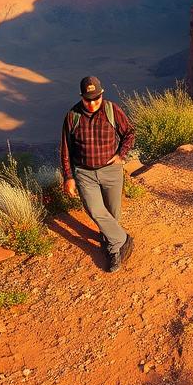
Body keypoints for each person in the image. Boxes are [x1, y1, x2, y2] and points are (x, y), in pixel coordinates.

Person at [60, 76, 136, 272]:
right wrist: (68, 177)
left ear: (102, 94)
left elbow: (129, 132)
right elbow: (66, 149)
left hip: (111, 171)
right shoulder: (72, 116)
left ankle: (111, 245)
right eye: (87, 99)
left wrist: (121, 154)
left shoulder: (112, 110)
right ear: (81, 97)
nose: (92, 103)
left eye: (96, 98)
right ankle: (122, 240)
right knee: (94, 211)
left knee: (112, 214)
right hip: (85, 173)